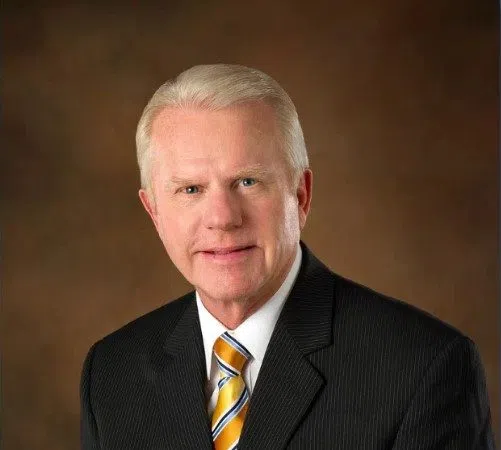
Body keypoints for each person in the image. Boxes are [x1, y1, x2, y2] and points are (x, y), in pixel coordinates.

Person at [80, 64, 495, 449]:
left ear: (300, 195)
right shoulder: (112, 374)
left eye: (247, 181)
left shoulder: (424, 368)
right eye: (191, 189)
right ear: (154, 211)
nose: (222, 218)